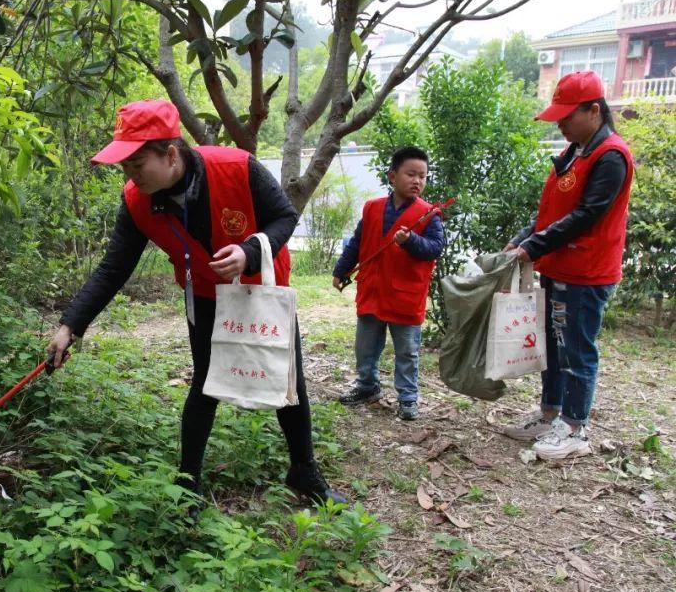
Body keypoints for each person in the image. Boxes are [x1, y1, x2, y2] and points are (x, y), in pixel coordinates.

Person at [46, 99, 345, 506]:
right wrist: (70, 326)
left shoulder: (237, 166)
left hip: (260, 286)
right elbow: (113, 268)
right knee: (205, 381)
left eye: (137, 164)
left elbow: (284, 216)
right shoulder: (137, 200)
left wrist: (249, 253)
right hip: (203, 293)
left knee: (287, 378)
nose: (131, 176)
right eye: (125, 168)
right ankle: (188, 483)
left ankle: (304, 471)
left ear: (170, 154)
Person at [501, 71, 634, 461]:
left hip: (587, 272)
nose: (559, 124)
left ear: (594, 111)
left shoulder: (610, 156)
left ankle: (575, 426)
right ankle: (550, 414)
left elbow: (586, 214)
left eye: (566, 117)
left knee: (576, 348)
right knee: (552, 347)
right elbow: (553, 212)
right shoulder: (575, 150)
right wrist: (525, 237)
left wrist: (534, 245)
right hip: (559, 265)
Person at [332, 146, 445, 421]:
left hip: (405, 296)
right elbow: (358, 243)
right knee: (366, 347)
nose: (417, 181)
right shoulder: (372, 208)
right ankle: (367, 387)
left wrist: (411, 241)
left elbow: (435, 248)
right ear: (392, 176)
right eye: (411, 174)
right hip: (372, 290)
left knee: (407, 352)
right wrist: (341, 269)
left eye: (423, 176)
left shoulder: (429, 214)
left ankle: (407, 398)